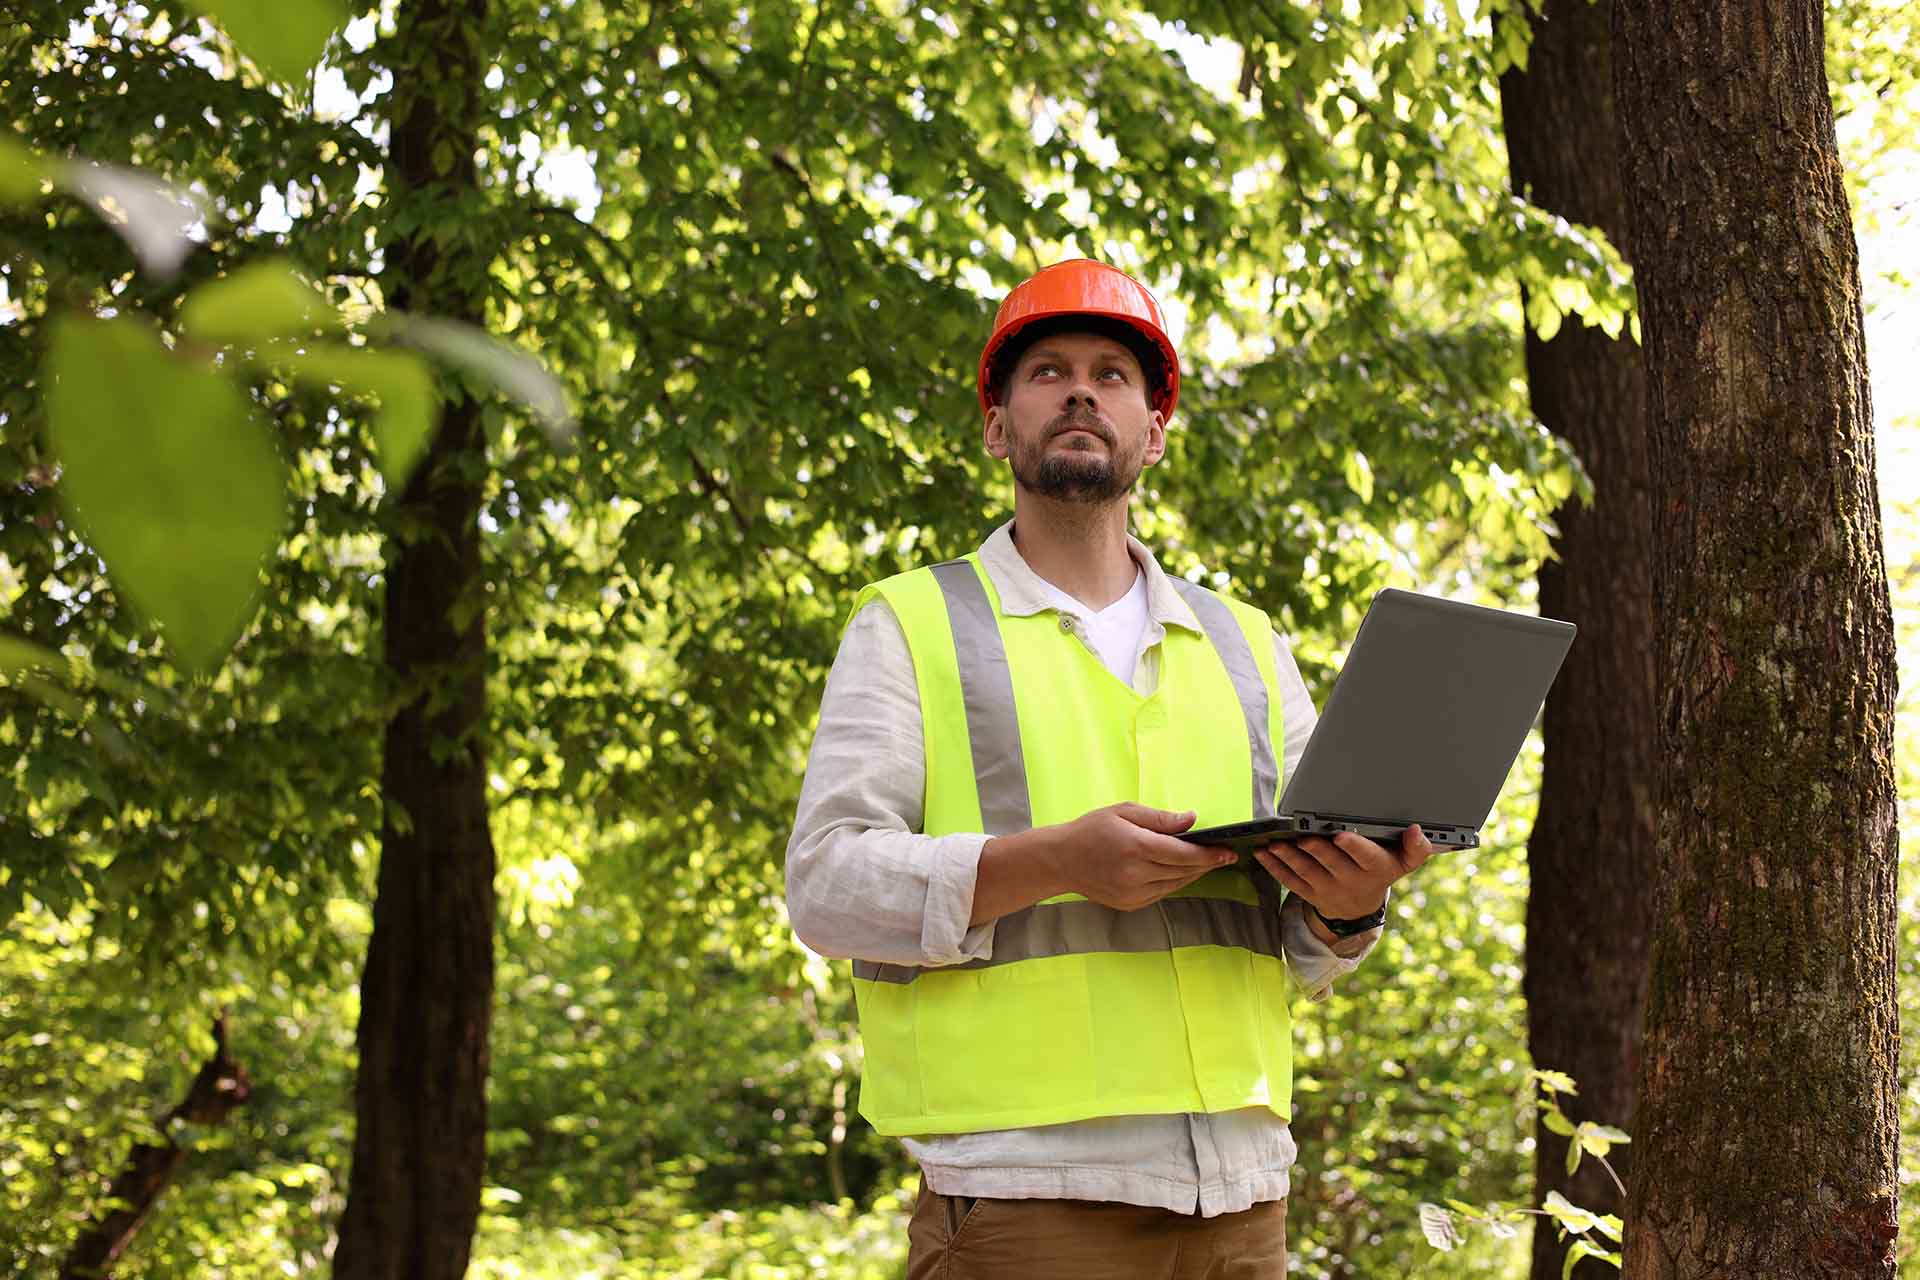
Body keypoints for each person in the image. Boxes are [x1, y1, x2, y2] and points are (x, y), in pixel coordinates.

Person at [784, 259, 1434, 1279]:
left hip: (1245, 1201)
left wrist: (1350, 907)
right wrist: (1053, 861)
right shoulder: (911, 624)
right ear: (999, 427)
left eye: (1112, 374)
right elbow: (825, 886)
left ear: (1154, 431)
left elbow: (1305, 948)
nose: (1082, 389)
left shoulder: (1247, 646)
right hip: (1024, 1202)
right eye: (1047, 370)